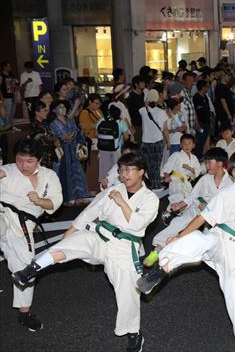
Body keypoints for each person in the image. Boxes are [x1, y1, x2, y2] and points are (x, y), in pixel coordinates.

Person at [12, 153, 158, 352]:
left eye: (129, 170)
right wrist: (70, 232)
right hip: (100, 235)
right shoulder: (114, 189)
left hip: (123, 246)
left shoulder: (150, 199)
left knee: (128, 291)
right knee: (77, 241)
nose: (124, 174)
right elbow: (90, 211)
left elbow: (137, 225)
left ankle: (134, 333)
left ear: (141, 172)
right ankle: (32, 269)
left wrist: (121, 202)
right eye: (121, 170)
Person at [136, 150, 235, 352]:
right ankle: (163, 268)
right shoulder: (225, 195)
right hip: (219, 236)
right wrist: (180, 234)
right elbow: (203, 218)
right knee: (202, 239)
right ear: (230, 172)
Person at [0, 139, 63, 332]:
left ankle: (24, 313)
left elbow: (55, 203)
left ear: (40, 160)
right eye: (20, 160)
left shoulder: (49, 176)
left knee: (25, 268)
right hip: (4, 215)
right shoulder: (8, 171)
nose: (23, 165)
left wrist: (39, 200)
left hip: (23, 227)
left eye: (29, 161)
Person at [143, 147, 233, 268]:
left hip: (215, 217)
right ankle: (158, 249)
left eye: (209, 162)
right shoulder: (205, 179)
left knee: (210, 246)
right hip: (196, 210)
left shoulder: (230, 183)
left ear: (220, 164)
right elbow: (193, 195)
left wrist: (210, 207)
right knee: (177, 223)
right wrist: (180, 204)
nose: (206, 166)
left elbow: (229, 205)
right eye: (206, 163)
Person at [49, 99, 89, 205]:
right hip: (63, 152)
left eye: (64, 107)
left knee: (78, 173)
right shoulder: (53, 124)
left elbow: (76, 132)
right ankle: (67, 198)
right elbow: (55, 138)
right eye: (59, 107)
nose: (62, 109)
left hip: (73, 151)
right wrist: (64, 138)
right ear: (54, 110)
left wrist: (80, 132)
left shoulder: (70, 120)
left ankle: (80, 196)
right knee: (65, 174)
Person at [161, 133, 201, 207]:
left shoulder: (194, 158)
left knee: (187, 201)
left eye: (189, 143)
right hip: (176, 181)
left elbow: (197, 171)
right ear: (180, 145)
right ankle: (169, 212)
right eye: (184, 143)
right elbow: (167, 166)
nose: (187, 146)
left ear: (193, 145)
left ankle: (172, 211)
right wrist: (166, 175)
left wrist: (189, 168)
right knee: (176, 199)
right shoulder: (176, 155)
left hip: (187, 182)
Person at [139, 88, 167, 189]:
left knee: (148, 165)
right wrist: (168, 140)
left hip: (146, 141)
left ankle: (151, 185)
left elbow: (144, 105)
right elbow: (165, 128)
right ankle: (156, 185)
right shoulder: (162, 112)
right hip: (158, 141)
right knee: (157, 165)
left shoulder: (142, 111)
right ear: (157, 99)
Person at [97, 105, 130, 184]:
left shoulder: (101, 120)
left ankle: (104, 186)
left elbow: (97, 133)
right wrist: (121, 140)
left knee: (104, 169)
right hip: (117, 149)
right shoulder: (121, 122)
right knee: (117, 168)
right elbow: (126, 136)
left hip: (103, 148)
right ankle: (117, 184)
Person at [29, 102, 59, 170]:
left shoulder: (41, 124)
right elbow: (42, 143)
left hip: (47, 157)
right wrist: (55, 142)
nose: (47, 113)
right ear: (37, 112)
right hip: (41, 159)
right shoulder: (35, 126)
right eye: (44, 111)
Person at [193, 79, 212, 158]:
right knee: (200, 140)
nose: (207, 89)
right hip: (201, 123)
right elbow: (195, 111)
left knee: (205, 138)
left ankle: (203, 154)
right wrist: (197, 123)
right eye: (206, 87)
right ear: (203, 87)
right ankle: (198, 156)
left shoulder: (205, 97)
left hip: (207, 121)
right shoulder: (196, 98)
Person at [0, 61, 19, 129]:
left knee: (12, 113)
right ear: (4, 67)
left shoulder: (11, 76)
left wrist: (15, 95)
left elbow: (14, 86)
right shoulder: (1, 76)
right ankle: (6, 127)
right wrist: (1, 97)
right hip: (6, 97)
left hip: (12, 96)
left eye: (10, 66)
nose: (10, 67)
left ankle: (11, 126)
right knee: (7, 113)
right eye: (8, 66)